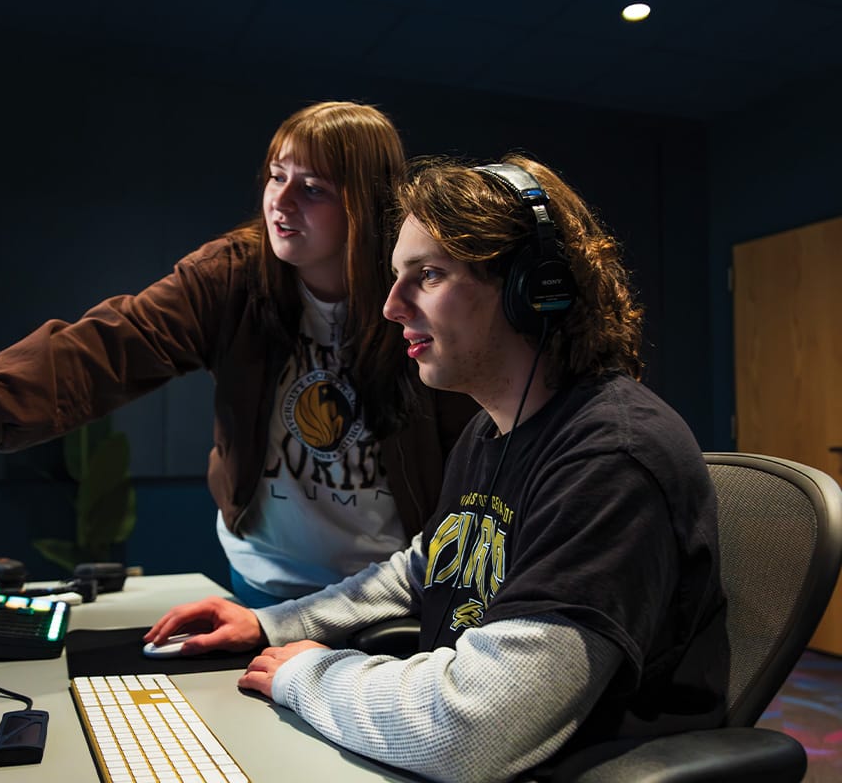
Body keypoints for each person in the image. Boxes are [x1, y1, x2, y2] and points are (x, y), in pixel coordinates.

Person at [144, 155, 729, 781]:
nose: (391, 307)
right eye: (397, 277)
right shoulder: (490, 431)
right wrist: (269, 623)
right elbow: (422, 570)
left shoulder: (610, 459)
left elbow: (472, 728)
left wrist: (308, 674)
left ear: (534, 290)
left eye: (427, 275)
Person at [0, 101, 478, 607]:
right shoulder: (235, 274)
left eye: (314, 188)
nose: (282, 202)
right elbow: (106, 348)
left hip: (388, 589)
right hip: (265, 582)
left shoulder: (418, 291)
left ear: (366, 202)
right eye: (276, 176)